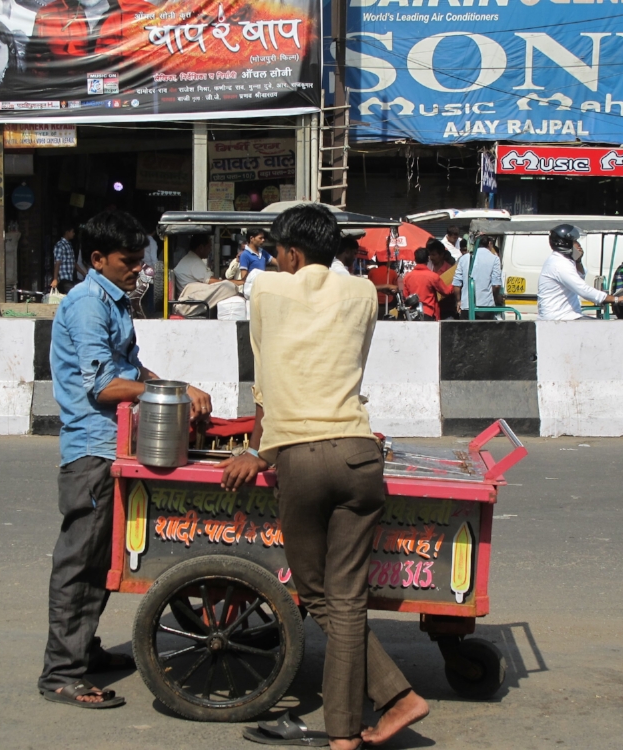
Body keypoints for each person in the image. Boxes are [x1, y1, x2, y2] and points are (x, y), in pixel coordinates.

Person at [218, 203, 428, 750]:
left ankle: (378, 711)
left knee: (318, 594)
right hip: (359, 453)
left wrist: (260, 451)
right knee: (348, 598)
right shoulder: (362, 293)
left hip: (302, 457)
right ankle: (360, 724)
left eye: (278, 252)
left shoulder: (263, 288)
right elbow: (350, 361)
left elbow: (265, 378)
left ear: (290, 252)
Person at [39, 209, 211, 709]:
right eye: (129, 262)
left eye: (140, 261)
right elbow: (104, 386)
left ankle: (82, 651)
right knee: (80, 563)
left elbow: (131, 369)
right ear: (98, 259)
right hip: (92, 451)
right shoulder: (88, 304)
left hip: (112, 447)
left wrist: (172, 387)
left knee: (101, 561)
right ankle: (61, 673)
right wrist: (174, 391)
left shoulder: (113, 303)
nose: (139, 270)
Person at [538, 224, 623, 321]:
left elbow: (580, 277)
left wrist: (578, 260)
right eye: (575, 241)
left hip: (568, 316)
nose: (578, 245)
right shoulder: (559, 264)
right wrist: (614, 299)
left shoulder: (564, 261)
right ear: (564, 243)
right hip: (560, 318)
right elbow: (582, 289)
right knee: (606, 329)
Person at [173, 234, 242, 316]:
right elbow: (213, 282)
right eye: (209, 247)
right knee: (228, 287)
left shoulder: (191, 259)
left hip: (194, 295)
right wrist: (240, 282)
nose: (210, 250)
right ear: (201, 248)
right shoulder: (194, 262)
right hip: (191, 300)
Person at [453, 236, 503, 321]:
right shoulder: (495, 259)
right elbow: (496, 285)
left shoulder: (464, 258)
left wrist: (459, 301)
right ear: (489, 243)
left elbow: (457, 284)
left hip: (466, 306)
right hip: (486, 306)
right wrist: (495, 298)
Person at [403, 247, 454, 320]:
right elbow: (446, 291)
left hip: (412, 314)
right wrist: (454, 283)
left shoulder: (407, 277)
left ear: (415, 260)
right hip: (428, 313)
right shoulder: (433, 276)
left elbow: (406, 297)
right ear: (428, 259)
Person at [426, 239, 456, 319]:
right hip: (430, 310)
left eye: (434, 255)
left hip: (446, 309)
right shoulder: (427, 268)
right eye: (430, 255)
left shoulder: (450, 271)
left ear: (442, 254)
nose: (431, 257)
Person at [51, 224, 84, 294]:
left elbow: (73, 263)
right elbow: (57, 263)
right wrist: (55, 279)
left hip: (70, 278)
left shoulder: (69, 245)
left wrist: (84, 273)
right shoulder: (60, 245)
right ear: (67, 232)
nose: (74, 234)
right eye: (72, 232)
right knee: (75, 293)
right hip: (63, 279)